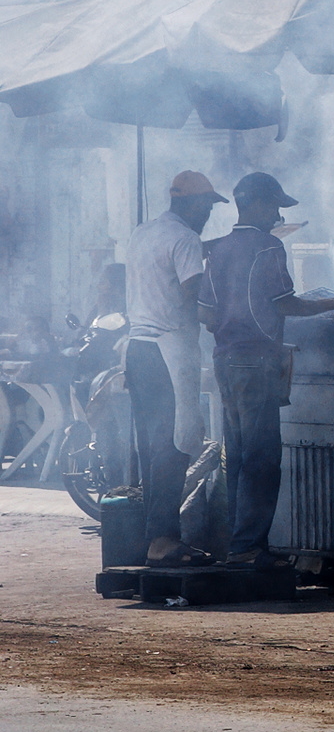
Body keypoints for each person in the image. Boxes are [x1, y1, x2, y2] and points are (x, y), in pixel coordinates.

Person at [200, 173, 334, 567]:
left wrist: (233, 329)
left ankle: (239, 545)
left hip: (225, 360)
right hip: (256, 362)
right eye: (273, 206)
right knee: (261, 458)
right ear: (255, 205)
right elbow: (286, 303)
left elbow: (205, 313)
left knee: (236, 456)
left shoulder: (217, 248)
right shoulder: (268, 246)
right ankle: (249, 549)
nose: (276, 214)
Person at [125, 171, 226, 566]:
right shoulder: (185, 239)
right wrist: (217, 314)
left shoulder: (143, 232)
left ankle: (154, 537)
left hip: (137, 349)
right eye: (207, 205)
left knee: (152, 446)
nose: (208, 213)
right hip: (167, 351)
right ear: (193, 204)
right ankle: (164, 540)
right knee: (176, 443)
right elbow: (192, 297)